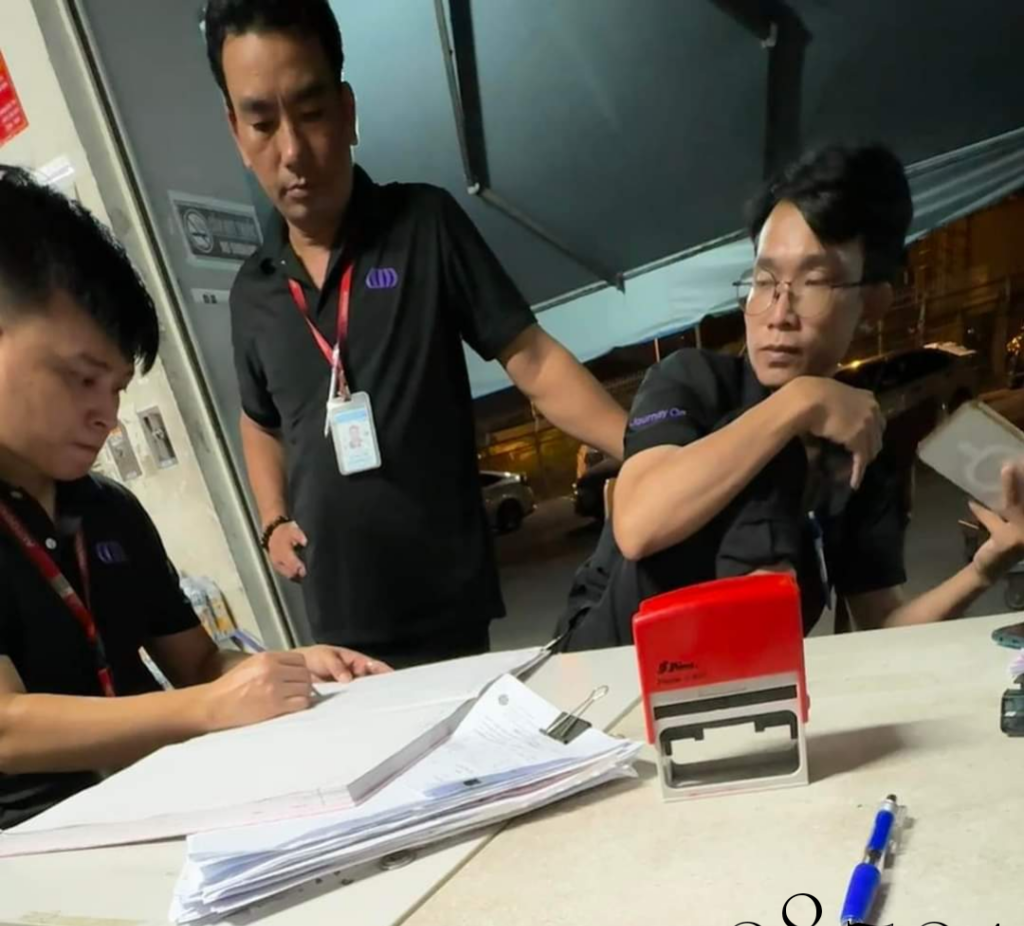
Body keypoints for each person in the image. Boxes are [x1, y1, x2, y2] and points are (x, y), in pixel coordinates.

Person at [203, 0, 628, 668]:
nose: (291, 152)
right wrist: (272, 517)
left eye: (311, 113)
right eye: (262, 123)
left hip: (445, 598)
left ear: (347, 111)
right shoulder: (252, 292)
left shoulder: (424, 225)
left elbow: (534, 360)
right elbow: (259, 421)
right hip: (337, 612)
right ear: (235, 132)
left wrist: (643, 447)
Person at [0, 165, 387, 832]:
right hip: (40, 849)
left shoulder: (109, 510)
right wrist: (208, 709)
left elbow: (201, 664)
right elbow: (7, 729)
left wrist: (285, 671)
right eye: (82, 379)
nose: (106, 417)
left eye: (117, 390)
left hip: (167, 804)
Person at [556, 144, 1024, 650]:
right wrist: (798, 403)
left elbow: (882, 627)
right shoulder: (691, 379)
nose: (778, 313)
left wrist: (982, 570)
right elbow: (639, 524)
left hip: (741, 682)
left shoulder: (860, 446)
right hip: (606, 667)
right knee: (772, 453)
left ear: (873, 301)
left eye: (814, 282)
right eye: (763, 281)